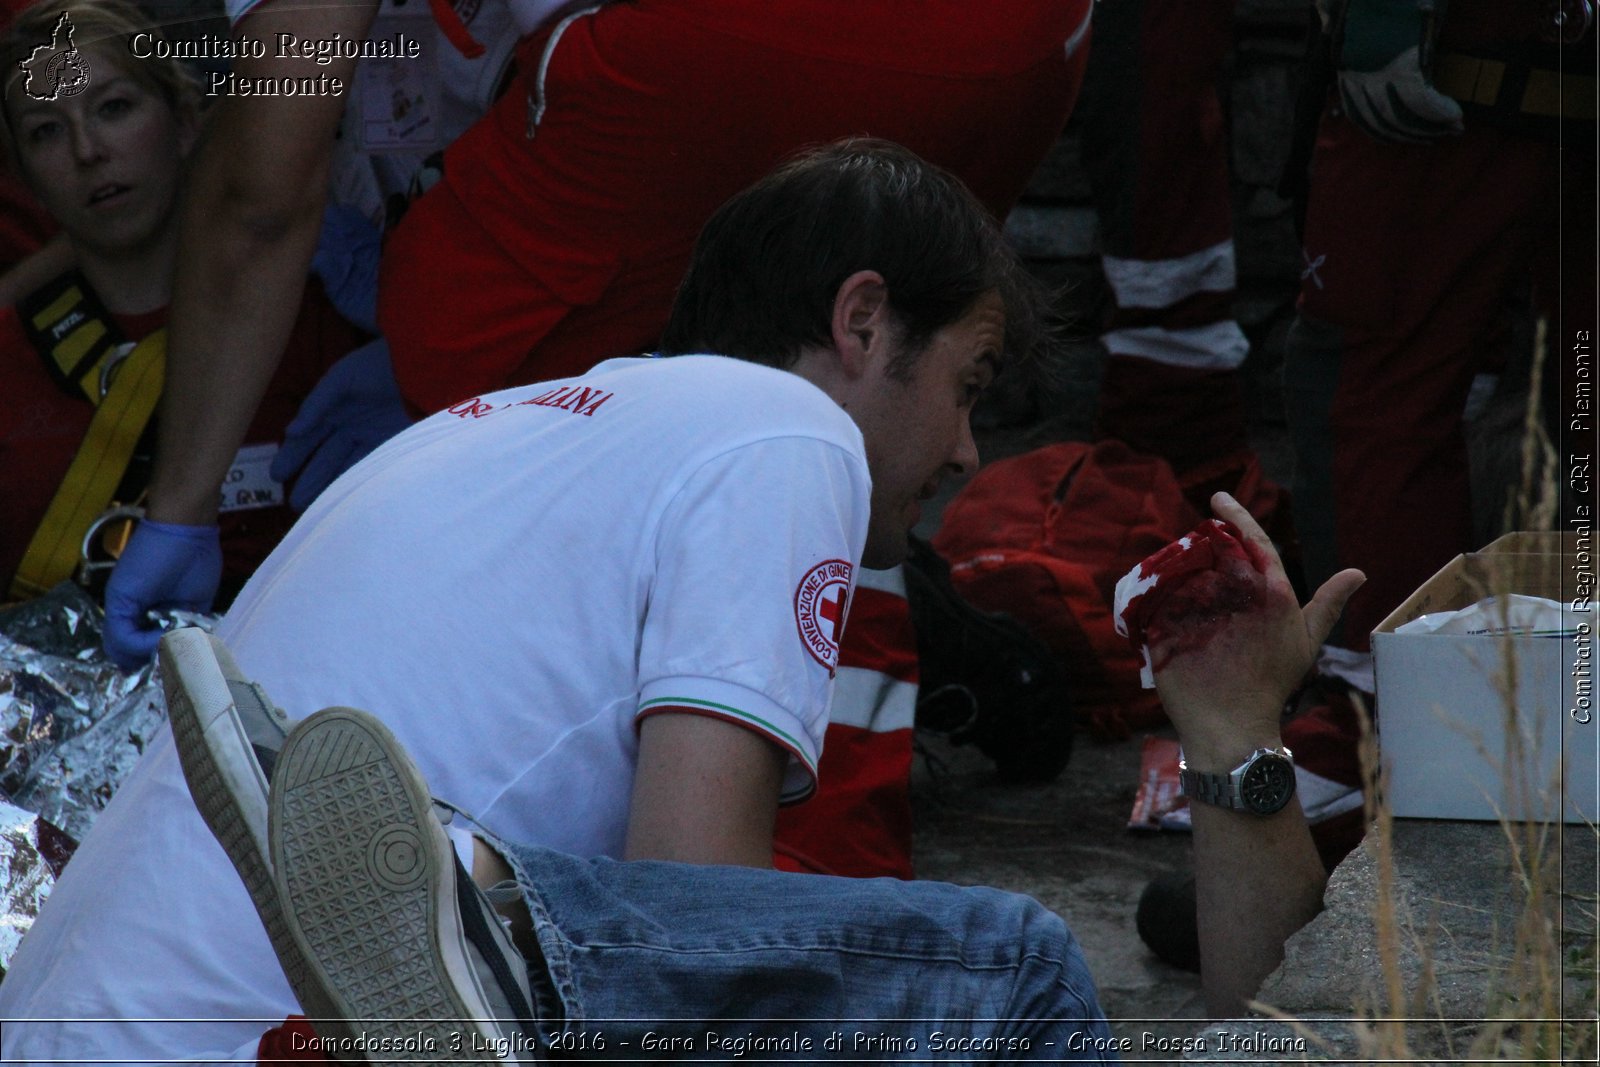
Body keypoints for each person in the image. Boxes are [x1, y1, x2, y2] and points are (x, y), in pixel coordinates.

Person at [0, 138, 1037, 1060]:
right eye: (969, 382)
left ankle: (477, 906)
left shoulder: (490, 424)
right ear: (861, 321)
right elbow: (696, 928)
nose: (964, 449)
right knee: (1021, 967)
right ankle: (474, 905)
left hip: (82, 1023)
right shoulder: (788, 430)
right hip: (247, 1032)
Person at [97, 0, 1096, 670]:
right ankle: (871, 641)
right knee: (840, 346)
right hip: (1040, 41)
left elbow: (262, 188)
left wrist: (182, 504)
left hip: (773, 36)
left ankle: (665, 713)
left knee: (459, 322)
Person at [0, 0, 365, 608]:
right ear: (26, 180)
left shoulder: (317, 330)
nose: (87, 151)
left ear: (187, 122)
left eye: (113, 108)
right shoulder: (9, 360)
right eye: (47, 130)